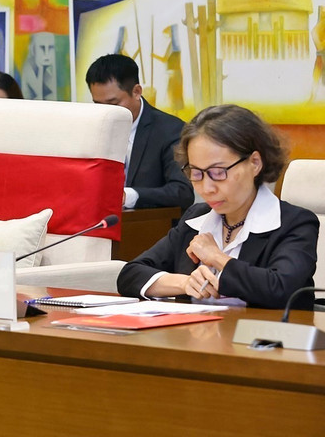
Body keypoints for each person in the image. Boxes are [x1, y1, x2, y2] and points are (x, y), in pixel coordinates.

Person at [117, 104, 319, 309]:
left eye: (218, 172)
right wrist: (185, 283)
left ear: (255, 163)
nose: (206, 188)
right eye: (196, 173)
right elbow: (130, 274)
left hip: (262, 338)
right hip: (193, 336)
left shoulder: (295, 223)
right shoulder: (197, 217)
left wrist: (216, 257)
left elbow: (280, 289)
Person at [86, 54, 193, 209]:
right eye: (98, 104)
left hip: (150, 227)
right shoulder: (92, 127)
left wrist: (128, 196)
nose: (106, 112)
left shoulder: (170, 130)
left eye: (113, 103)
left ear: (136, 92)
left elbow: (182, 192)